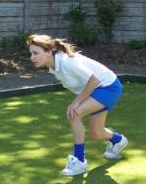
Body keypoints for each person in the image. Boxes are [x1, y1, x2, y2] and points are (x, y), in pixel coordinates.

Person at [26, 34, 128, 176]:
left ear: (49, 52)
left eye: (36, 53)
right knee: (97, 134)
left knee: (74, 114)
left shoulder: (67, 62)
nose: (32, 57)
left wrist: (76, 102)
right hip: (97, 90)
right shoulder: (54, 65)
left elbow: (94, 80)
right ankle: (118, 140)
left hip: (108, 87)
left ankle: (79, 162)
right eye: (31, 53)